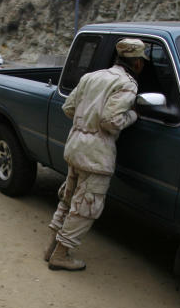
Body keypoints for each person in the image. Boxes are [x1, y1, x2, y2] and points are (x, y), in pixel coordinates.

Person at [44, 38, 147, 271]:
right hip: (97, 153)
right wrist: (134, 115)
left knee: (68, 199)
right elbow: (111, 121)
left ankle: (51, 247)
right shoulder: (128, 84)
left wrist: (85, 122)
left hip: (75, 145)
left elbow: (68, 108)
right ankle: (61, 255)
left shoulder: (91, 76)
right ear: (138, 63)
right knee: (87, 207)